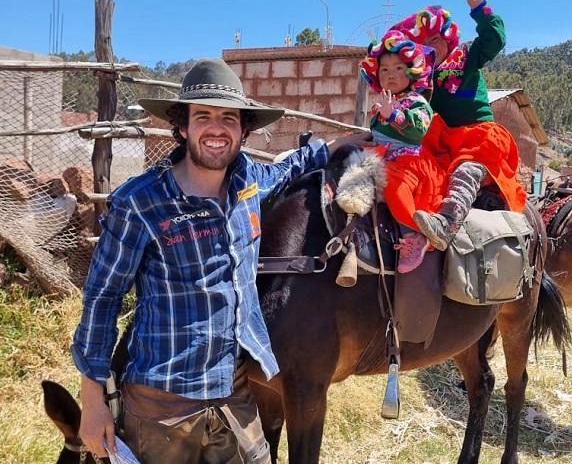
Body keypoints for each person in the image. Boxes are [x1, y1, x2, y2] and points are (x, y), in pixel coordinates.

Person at [71, 58, 372, 463]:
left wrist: (333, 147)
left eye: (229, 118)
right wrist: (92, 400)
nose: (217, 128)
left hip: (234, 392)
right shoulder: (139, 202)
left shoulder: (247, 179)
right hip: (162, 403)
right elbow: (102, 299)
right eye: (204, 116)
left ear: (244, 129)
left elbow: (287, 170)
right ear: (182, 125)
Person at [390, 0, 527, 251]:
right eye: (421, 45)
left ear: (447, 39)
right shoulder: (419, 80)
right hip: (441, 143)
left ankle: (446, 224)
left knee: (467, 168)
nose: (430, 48)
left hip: (477, 137)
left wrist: (479, 7)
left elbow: (494, 40)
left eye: (435, 40)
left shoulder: (465, 55)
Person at [359, 29, 436, 272]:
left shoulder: (416, 101)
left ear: (412, 71)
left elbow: (417, 130)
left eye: (398, 69)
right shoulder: (380, 103)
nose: (390, 75)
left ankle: (413, 234)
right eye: (384, 69)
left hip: (409, 164)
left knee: (392, 184)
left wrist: (393, 114)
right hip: (383, 157)